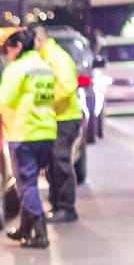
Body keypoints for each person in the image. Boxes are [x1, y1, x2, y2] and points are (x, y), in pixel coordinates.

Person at [0, 28, 57, 249]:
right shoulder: (45, 67)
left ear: (19, 47)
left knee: (26, 185)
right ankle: (25, 228)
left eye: (9, 50)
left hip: (24, 133)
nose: (8, 55)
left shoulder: (18, 69)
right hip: (46, 132)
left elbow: (5, 101)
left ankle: (40, 232)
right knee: (29, 183)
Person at [34, 26, 80, 222]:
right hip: (55, 118)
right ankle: (57, 205)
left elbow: (67, 86)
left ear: (38, 41)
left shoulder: (57, 58)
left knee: (60, 162)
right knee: (53, 164)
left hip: (65, 118)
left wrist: (45, 102)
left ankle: (67, 208)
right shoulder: (46, 58)